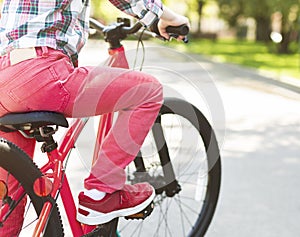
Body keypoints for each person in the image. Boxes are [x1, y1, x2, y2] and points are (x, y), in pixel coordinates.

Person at [0, 0, 190, 234]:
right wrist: (163, 16)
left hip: (5, 77)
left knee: (9, 202)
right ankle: (100, 193)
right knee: (147, 91)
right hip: (41, 73)